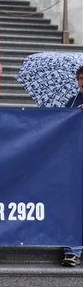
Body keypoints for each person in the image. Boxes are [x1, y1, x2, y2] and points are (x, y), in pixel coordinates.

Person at [61, 66, 83, 267]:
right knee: (75, 204)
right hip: (75, 158)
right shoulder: (72, 101)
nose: (82, 82)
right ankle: (72, 250)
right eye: (80, 78)